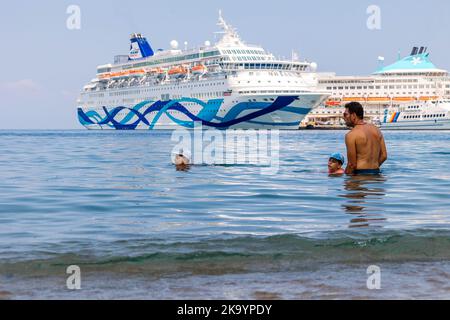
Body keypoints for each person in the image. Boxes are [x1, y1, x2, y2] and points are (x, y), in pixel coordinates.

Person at [343, 102, 388, 175]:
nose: (344, 117)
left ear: (353, 115)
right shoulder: (376, 130)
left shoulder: (351, 135)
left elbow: (352, 164)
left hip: (360, 175)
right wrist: (372, 170)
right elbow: (384, 156)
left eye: (345, 114)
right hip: (377, 174)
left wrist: (345, 177)